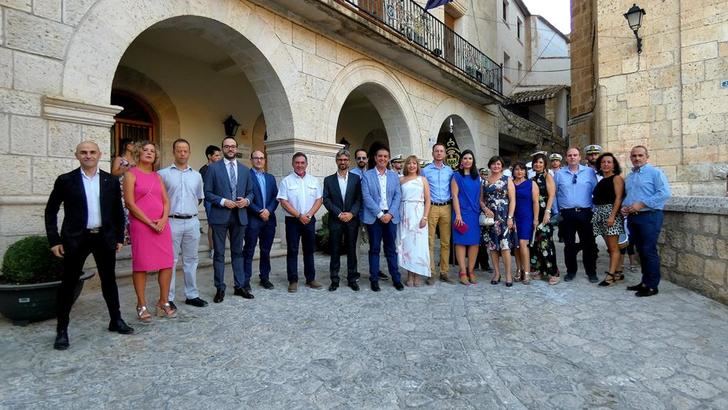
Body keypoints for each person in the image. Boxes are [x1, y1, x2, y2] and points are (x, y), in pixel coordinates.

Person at [45, 141, 133, 350]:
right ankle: (62, 329)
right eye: (83, 152)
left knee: (109, 281)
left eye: (92, 152)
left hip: (104, 238)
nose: (88, 155)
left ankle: (116, 320)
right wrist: (54, 240)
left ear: (99, 155)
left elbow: (118, 212)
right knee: (68, 284)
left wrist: (119, 237)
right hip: (76, 239)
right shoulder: (66, 180)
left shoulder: (110, 181)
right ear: (77, 155)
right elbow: (51, 210)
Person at [123, 141, 176, 320]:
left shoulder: (157, 176)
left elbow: (166, 201)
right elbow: (129, 203)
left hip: (161, 225)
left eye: (152, 151)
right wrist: (149, 222)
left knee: (167, 263)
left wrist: (163, 219)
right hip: (141, 226)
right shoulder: (130, 174)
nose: (149, 153)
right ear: (138, 153)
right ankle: (141, 304)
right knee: (141, 265)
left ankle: (163, 301)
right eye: (145, 150)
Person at [203, 137, 254, 303]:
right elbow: (208, 193)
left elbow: (251, 192)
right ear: (223, 148)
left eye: (233, 146)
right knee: (219, 253)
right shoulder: (213, 169)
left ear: (236, 148)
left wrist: (246, 201)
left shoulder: (245, 170)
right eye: (227, 146)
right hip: (220, 216)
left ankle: (239, 286)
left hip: (240, 216)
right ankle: (220, 288)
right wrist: (224, 201)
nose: (230, 149)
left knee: (238, 252)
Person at [158, 139, 208, 309]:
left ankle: (192, 294)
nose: (182, 153)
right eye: (179, 150)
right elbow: (159, 199)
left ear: (189, 152)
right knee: (170, 261)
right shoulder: (163, 174)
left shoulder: (197, 176)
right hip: (172, 221)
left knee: (191, 260)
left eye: (185, 150)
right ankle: (168, 297)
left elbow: (199, 197)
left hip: (192, 221)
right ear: (174, 152)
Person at [621, 145, 671, 297]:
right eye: (634, 156)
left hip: (650, 216)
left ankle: (652, 286)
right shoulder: (630, 176)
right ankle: (644, 282)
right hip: (633, 217)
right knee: (641, 251)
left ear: (646, 157)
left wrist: (642, 203)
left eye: (640, 155)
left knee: (649, 250)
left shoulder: (655, 173)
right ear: (631, 158)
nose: (637, 158)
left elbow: (665, 193)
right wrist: (625, 207)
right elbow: (629, 196)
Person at [277, 152, 323, 293]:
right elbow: (283, 201)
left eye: (302, 163)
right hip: (292, 221)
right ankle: (293, 280)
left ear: (306, 164)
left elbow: (319, 200)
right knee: (292, 250)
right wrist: (299, 215)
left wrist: (308, 215)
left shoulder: (314, 181)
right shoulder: (286, 181)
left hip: (309, 219)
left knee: (309, 250)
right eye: (297, 162)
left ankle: (310, 279)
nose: (300, 165)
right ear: (293, 164)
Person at [361, 147, 404, 292]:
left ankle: (396, 278)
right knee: (374, 249)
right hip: (374, 217)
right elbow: (366, 197)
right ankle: (374, 279)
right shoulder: (367, 175)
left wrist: (390, 214)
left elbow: (398, 196)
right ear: (375, 157)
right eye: (380, 156)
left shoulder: (393, 176)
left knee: (391, 249)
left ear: (388, 158)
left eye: (386, 156)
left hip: (391, 217)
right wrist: (380, 214)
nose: (383, 159)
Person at [553, 147, 599, 283]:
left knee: (589, 244)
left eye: (575, 155)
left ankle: (591, 272)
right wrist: (557, 211)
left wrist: (594, 210)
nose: (572, 157)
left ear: (580, 157)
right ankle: (571, 271)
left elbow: (596, 192)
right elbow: (554, 194)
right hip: (567, 214)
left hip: (585, 213)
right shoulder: (559, 174)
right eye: (570, 155)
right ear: (566, 158)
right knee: (569, 245)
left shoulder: (590, 172)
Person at [323, 149, 362, 291]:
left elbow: (359, 199)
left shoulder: (356, 179)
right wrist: (339, 213)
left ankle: (352, 278)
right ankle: (334, 279)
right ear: (336, 161)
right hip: (336, 220)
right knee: (335, 250)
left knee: (352, 250)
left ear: (349, 161)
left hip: (352, 220)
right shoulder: (328, 180)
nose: (343, 162)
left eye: (345, 160)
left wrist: (351, 213)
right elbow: (326, 200)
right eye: (340, 160)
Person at [243, 150, 279, 290]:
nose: (259, 160)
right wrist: (259, 211)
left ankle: (265, 277)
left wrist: (268, 210)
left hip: (269, 219)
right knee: (249, 250)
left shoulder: (270, 178)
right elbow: (245, 197)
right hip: (253, 219)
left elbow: (276, 197)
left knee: (265, 250)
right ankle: (245, 280)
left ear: (265, 160)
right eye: (256, 158)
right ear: (251, 160)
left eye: (261, 158)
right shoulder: (246, 176)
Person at [422, 143, 455, 285]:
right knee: (429, 241)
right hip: (432, 207)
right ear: (433, 153)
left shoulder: (450, 171)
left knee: (445, 242)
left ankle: (444, 272)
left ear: (445, 154)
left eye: (442, 151)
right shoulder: (425, 171)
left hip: (446, 207)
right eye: (437, 151)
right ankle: (430, 272)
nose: (439, 153)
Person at [482, 156, 517, 287]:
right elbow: (481, 199)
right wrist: (485, 209)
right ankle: (496, 273)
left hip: (503, 216)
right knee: (492, 247)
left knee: (505, 247)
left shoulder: (507, 180)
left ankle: (508, 274)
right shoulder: (484, 182)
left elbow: (513, 200)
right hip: (490, 218)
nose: (496, 166)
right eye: (493, 164)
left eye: (498, 164)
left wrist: (510, 217)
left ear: (502, 166)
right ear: (490, 166)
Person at [591, 152, 625, 287]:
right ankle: (618, 271)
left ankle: (610, 275)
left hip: (610, 214)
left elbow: (618, 198)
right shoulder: (602, 179)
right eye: (603, 162)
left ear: (614, 165)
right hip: (600, 213)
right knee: (611, 247)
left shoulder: (616, 178)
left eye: (609, 162)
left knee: (613, 247)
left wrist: (612, 216)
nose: (605, 164)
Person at [397, 155, 431, 287]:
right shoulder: (401, 180)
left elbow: (428, 200)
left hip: (419, 214)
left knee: (419, 246)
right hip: (405, 214)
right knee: (408, 246)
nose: (412, 166)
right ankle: (409, 275)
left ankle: (417, 274)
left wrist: (425, 217)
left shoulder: (422, 180)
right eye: (409, 163)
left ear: (418, 166)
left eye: (414, 163)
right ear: (406, 166)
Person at [451, 150, 482, 285]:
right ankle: (462, 271)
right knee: (461, 242)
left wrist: (484, 208)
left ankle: (471, 271)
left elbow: (480, 196)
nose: (467, 160)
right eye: (465, 158)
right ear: (461, 161)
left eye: (470, 158)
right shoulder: (456, 176)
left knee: (474, 243)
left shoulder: (477, 177)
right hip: (461, 213)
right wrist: (458, 214)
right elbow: (455, 196)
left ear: (473, 161)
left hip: (474, 213)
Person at [529, 153, 560, 285]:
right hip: (534, 213)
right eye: (536, 162)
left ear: (545, 164)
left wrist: (547, 212)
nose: (538, 164)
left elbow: (552, 195)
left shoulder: (548, 176)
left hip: (544, 214)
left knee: (546, 243)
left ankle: (554, 272)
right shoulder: (533, 178)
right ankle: (540, 270)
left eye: (541, 162)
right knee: (536, 244)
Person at [511, 161, 539, 284]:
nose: (519, 171)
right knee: (516, 245)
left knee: (523, 243)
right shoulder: (510, 184)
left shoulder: (531, 184)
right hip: (513, 216)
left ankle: (526, 272)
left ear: (525, 171)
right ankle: (518, 269)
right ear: (513, 171)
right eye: (517, 169)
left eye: (522, 169)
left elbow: (535, 202)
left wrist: (536, 219)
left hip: (526, 217)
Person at [350, 148, 370, 280]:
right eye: (359, 158)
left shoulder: (372, 174)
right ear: (356, 160)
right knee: (355, 244)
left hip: (370, 213)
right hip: (356, 214)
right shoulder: (351, 174)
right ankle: (354, 271)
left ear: (367, 159)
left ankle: (375, 270)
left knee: (373, 244)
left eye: (364, 158)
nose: (361, 160)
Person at [199, 145, 221, 259]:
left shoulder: (221, 168)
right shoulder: (203, 170)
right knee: (212, 224)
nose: (219, 157)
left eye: (219, 155)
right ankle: (212, 249)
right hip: (209, 201)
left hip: (221, 199)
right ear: (209, 156)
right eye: (216, 155)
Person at [476, 168, 491, 272]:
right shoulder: (476, 182)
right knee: (476, 241)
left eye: (486, 174)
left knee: (484, 242)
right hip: (476, 213)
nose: (484, 175)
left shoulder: (488, 183)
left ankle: (485, 264)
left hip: (486, 214)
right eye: (482, 174)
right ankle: (475, 264)